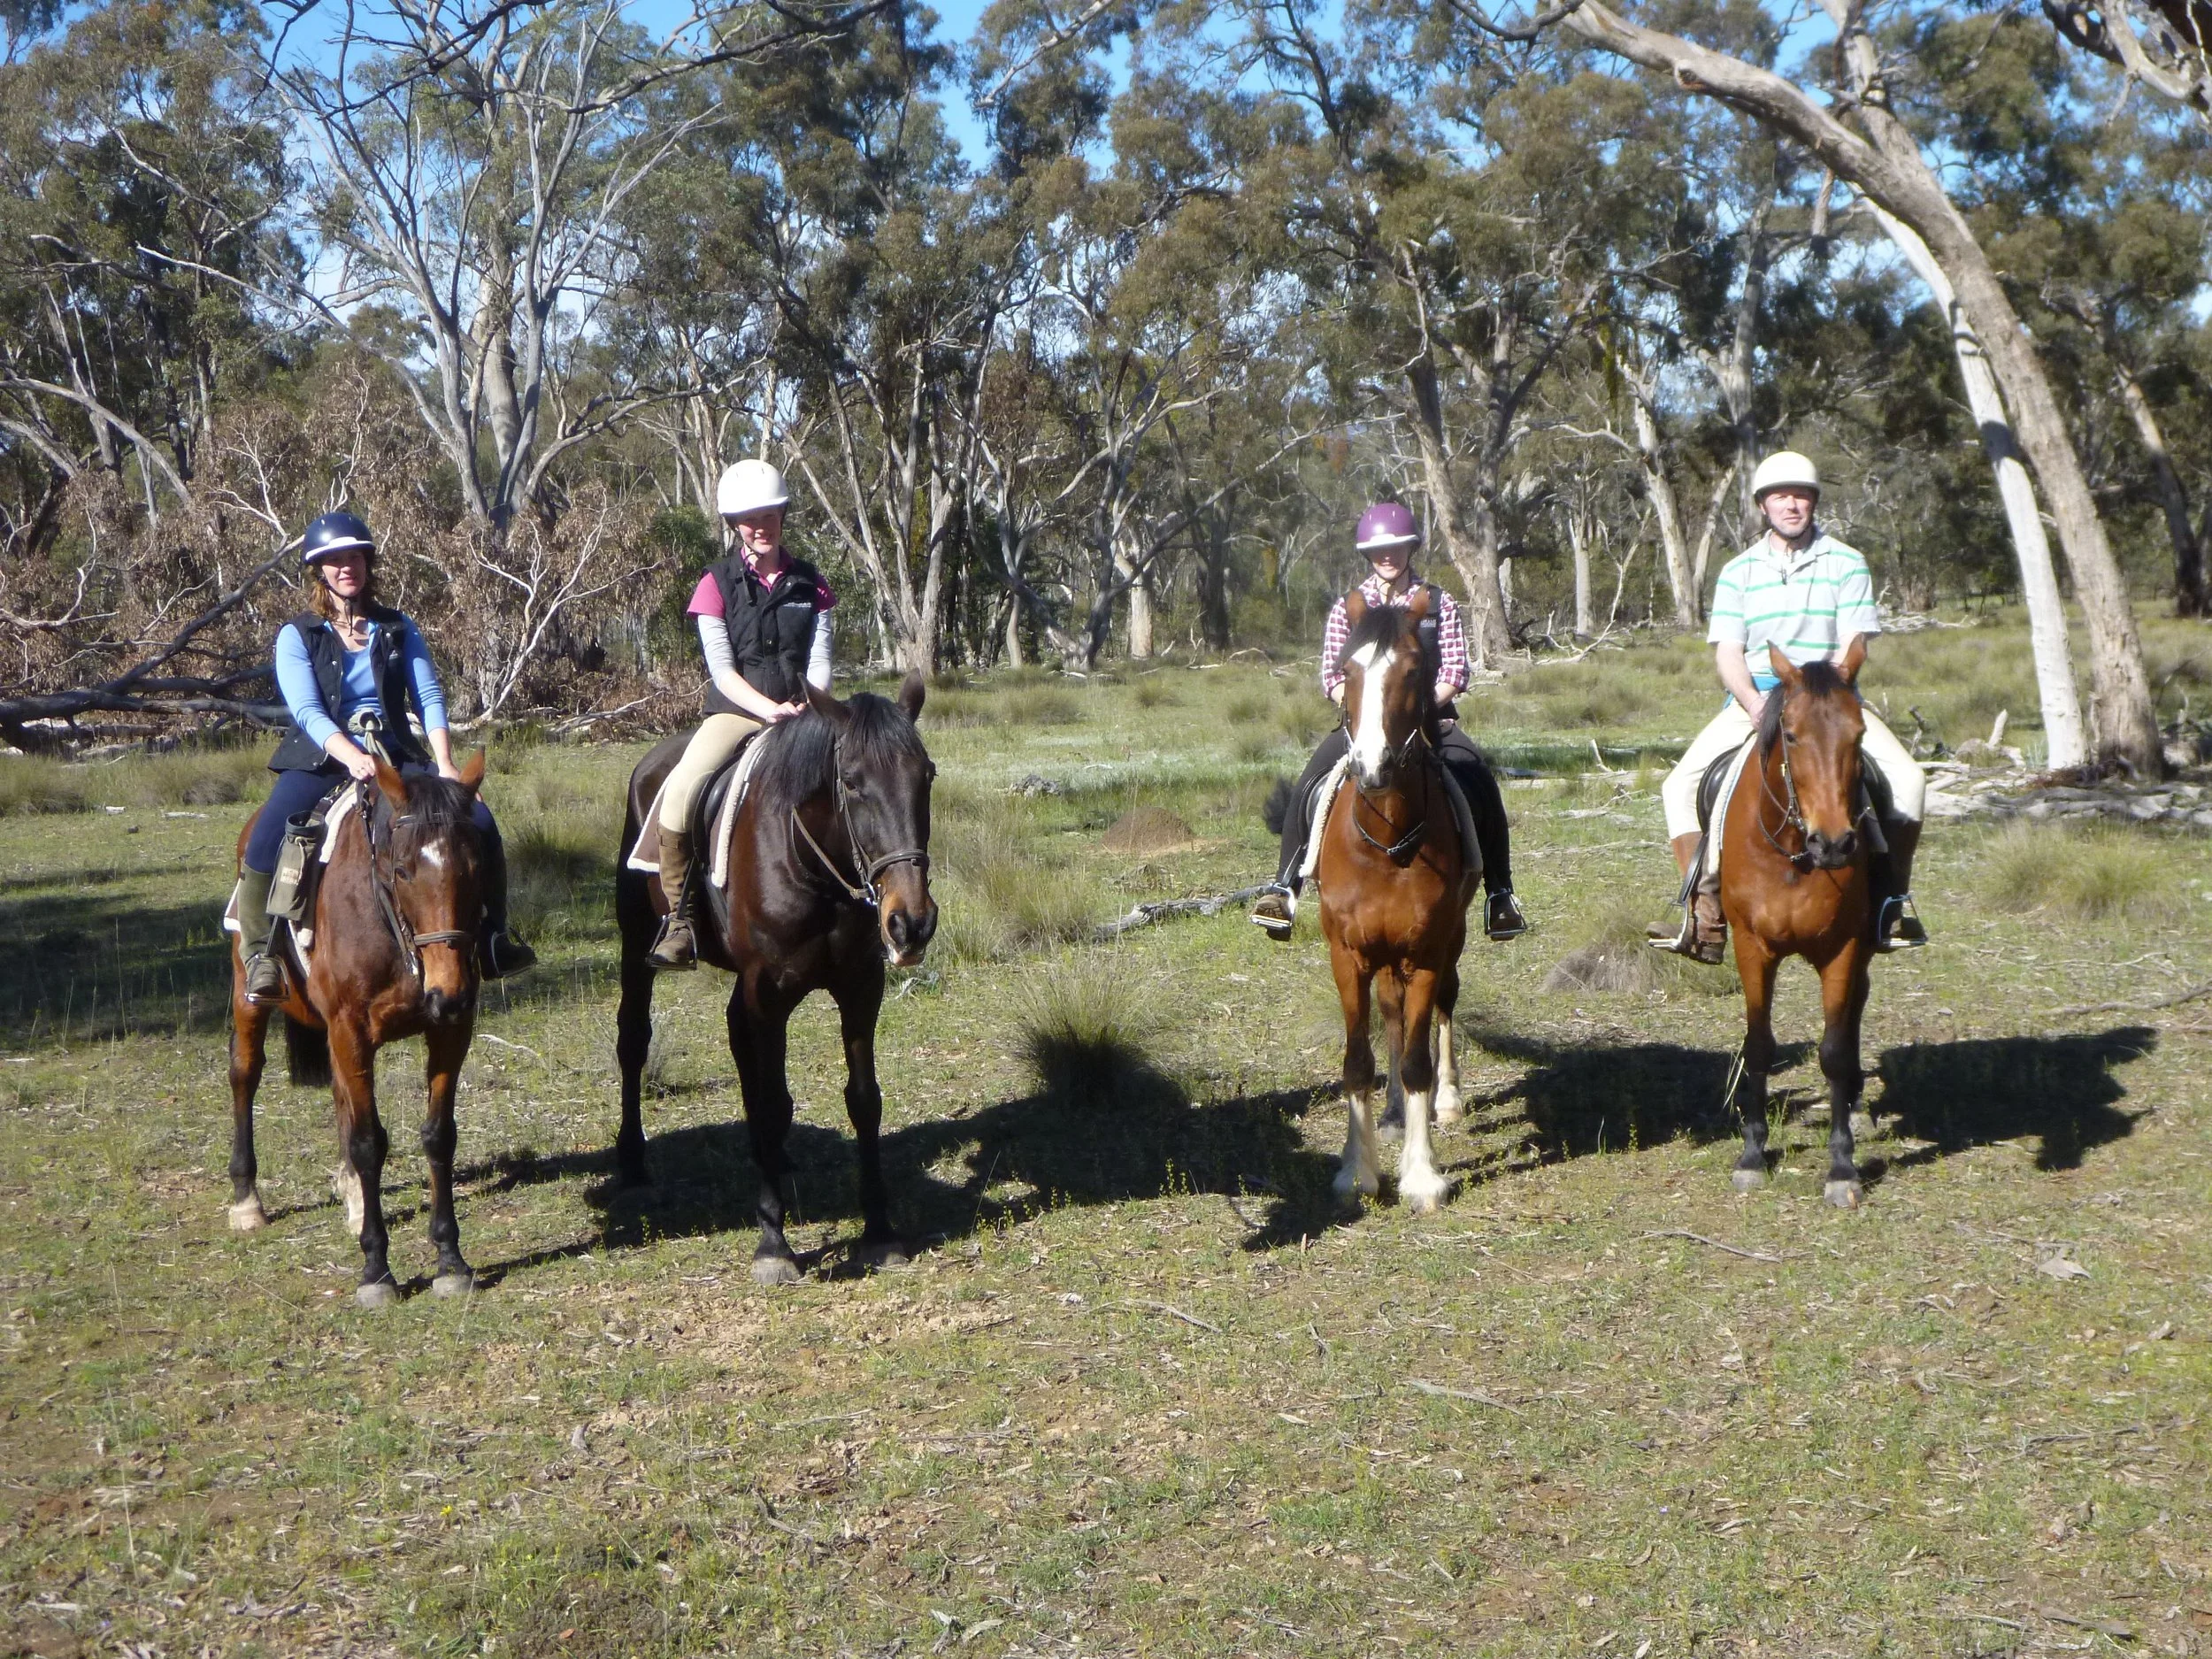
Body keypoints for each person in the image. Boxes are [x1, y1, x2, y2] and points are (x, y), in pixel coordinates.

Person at [238, 511, 534, 1005]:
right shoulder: (298, 635)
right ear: (320, 571)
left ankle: (494, 938)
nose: (345, 567)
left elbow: (429, 696)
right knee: (267, 837)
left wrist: (444, 762)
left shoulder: (396, 628)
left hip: (396, 754)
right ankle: (260, 954)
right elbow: (307, 709)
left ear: (367, 563)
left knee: (479, 821)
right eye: (333, 560)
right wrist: (349, 753)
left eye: (353, 557)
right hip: (322, 756)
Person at [1650, 449, 1927, 963]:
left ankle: (1891, 900)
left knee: (1909, 780)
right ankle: (1702, 912)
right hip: (1756, 697)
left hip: (1827, 704)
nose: (1791, 504)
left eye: (1800, 495)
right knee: (1678, 786)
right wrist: (1756, 705)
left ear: (1814, 501)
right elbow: (1729, 651)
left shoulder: (1846, 562)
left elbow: (1853, 641)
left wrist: (1830, 695)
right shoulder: (1738, 571)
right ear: (1763, 505)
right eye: (1780, 496)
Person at [1250, 501, 1526, 942]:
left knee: (1479, 781)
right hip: (1361, 727)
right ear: (1367, 553)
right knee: (1311, 782)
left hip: (1433, 723)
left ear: (1411, 548)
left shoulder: (1438, 603)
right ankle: (1284, 886)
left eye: (1397, 547)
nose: (1388, 556)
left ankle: (1500, 894)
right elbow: (1331, 675)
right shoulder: (1349, 608)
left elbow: (1456, 671)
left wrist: (1417, 713)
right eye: (1379, 549)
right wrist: (1366, 717)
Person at [648, 458, 836, 971]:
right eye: (749, 518)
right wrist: (769, 710)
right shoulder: (714, 584)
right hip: (737, 712)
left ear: (782, 515)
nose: (761, 525)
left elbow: (819, 661)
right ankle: (681, 921)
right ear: (734, 525)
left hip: (805, 713)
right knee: (683, 789)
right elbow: (723, 672)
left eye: (769, 514)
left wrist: (808, 707)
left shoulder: (811, 584)